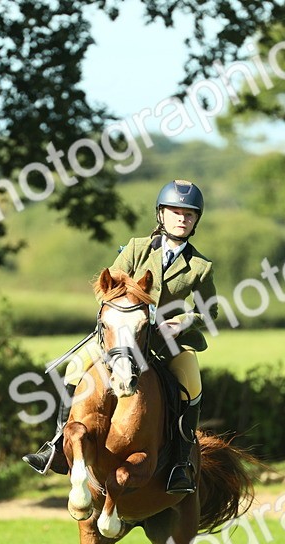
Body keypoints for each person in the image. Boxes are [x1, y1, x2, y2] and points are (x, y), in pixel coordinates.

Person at [22, 179, 218, 495]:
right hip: (123, 336)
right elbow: (108, 286)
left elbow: (209, 311)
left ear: (196, 220)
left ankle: (181, 465)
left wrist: (181, 323)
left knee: (191, 385)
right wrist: (126, 314)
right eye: (175, 212)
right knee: (75, 367)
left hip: (166, 341)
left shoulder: (200, 267)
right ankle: (57, 443)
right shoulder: (137, 248)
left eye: (189, 214)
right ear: (161, 215)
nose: (182, 219)